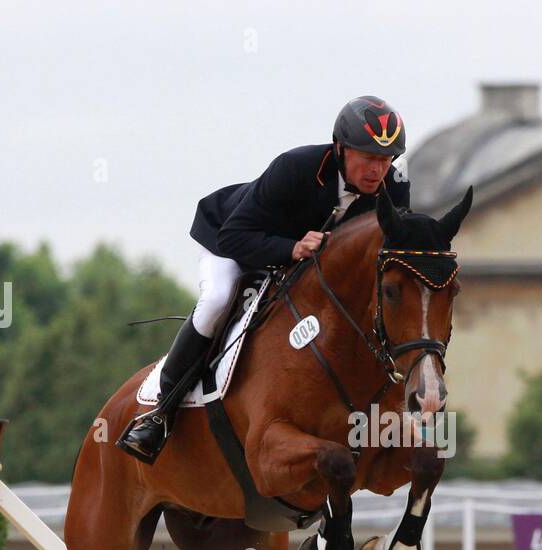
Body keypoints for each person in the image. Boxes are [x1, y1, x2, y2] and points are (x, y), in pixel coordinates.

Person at [117, 95, 412, 464]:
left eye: (385, 160)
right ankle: (161, 411)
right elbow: (234, 236)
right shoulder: (295, 167)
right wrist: (290, 249)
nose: (377, 170)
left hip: (306, 264)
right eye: (368, 158)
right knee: (218, 300)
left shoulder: (395, 186)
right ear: (341, 149)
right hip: (235, 240)